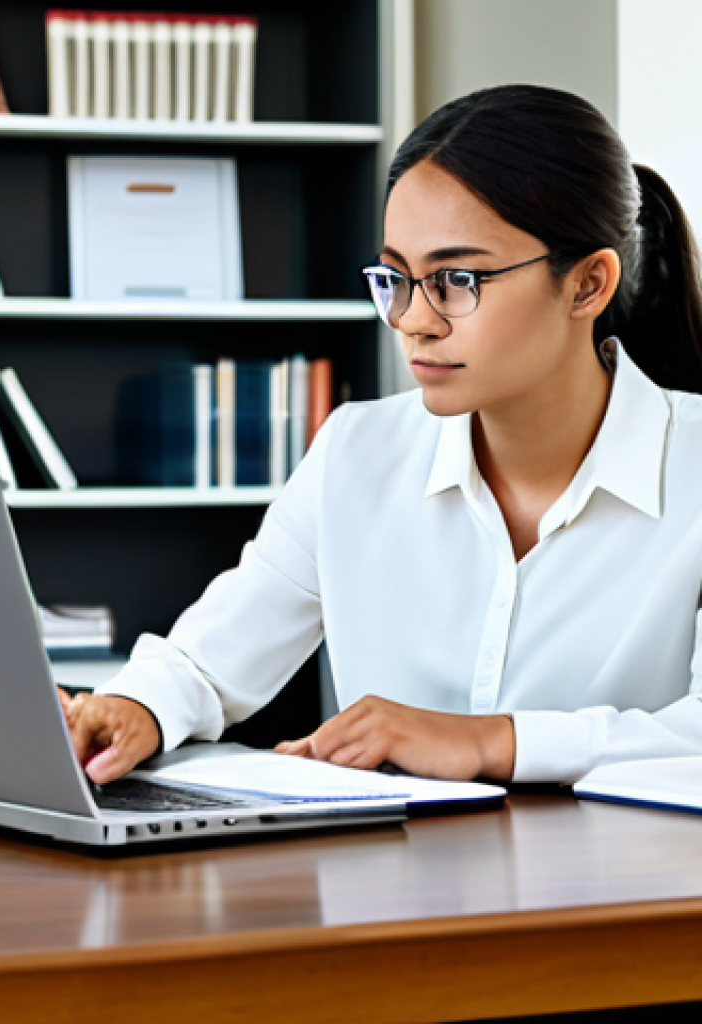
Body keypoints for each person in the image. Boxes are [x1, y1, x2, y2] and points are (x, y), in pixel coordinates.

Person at [60, 83, 702, 787]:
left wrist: (488, 744)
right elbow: (209, 661)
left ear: (587, 286)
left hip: (632, 888)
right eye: (395, 278)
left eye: (456, 280)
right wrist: (137, 706)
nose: (411, 320)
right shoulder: (356, 453)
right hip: (391, 884)